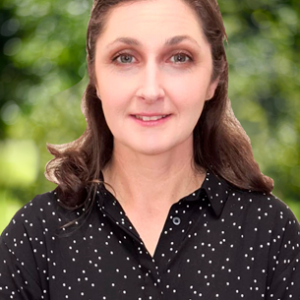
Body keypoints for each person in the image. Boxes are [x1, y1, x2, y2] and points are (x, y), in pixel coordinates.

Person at [0, 0, 299, 299]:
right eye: (125, 58)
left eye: (179, 58)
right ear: (95, 77)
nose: (151, 91)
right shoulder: (33, 237)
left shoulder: (271, 232)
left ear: (214, 78)